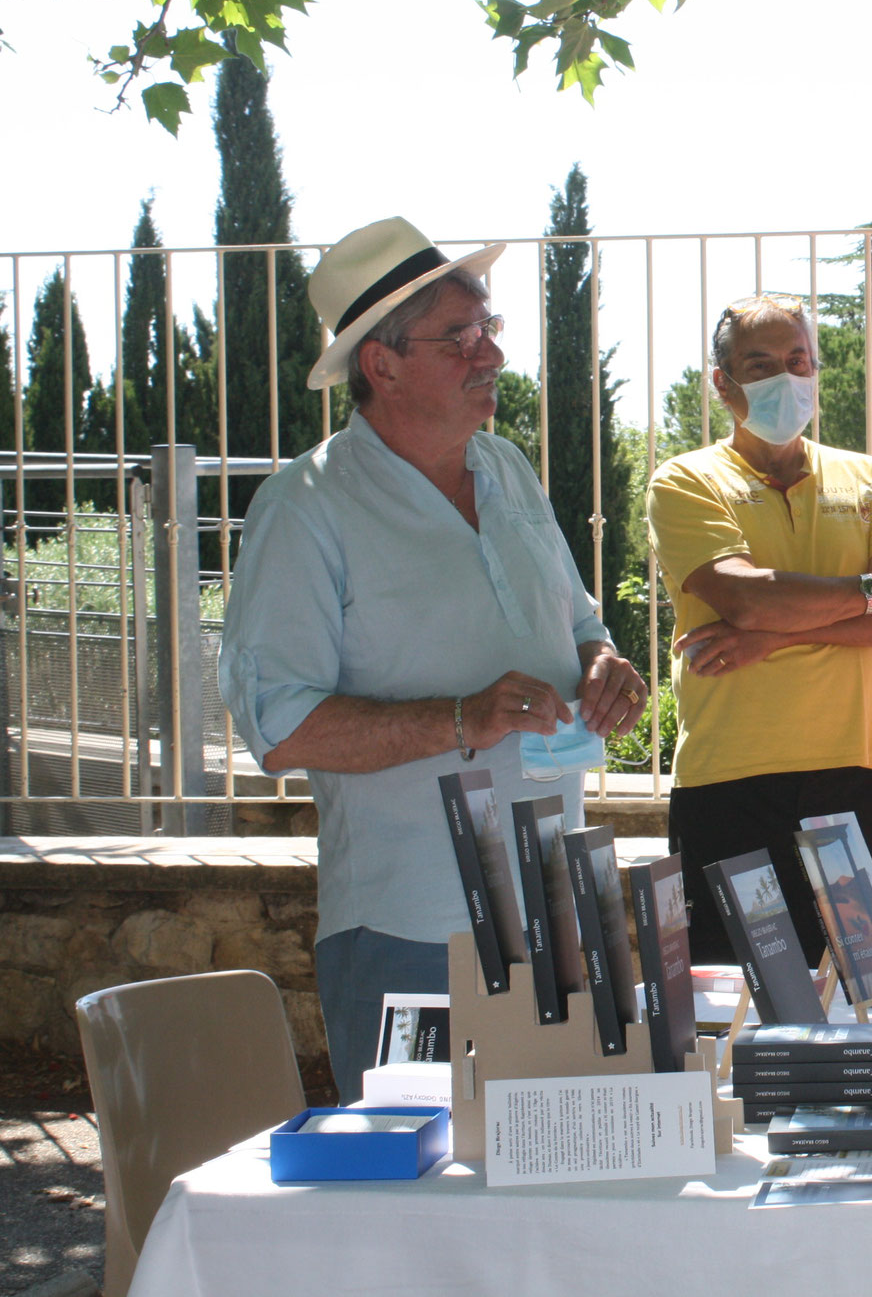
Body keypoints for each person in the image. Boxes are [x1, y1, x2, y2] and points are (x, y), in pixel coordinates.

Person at [219, 217, 647, 1102]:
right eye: (460, 336)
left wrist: (607, 665)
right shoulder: (305, 508)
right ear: (380, 363)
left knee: (569, 1185)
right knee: (418, 1216)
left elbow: (580, 626)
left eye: (487, 328)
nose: (489, 353)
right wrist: (462, 717)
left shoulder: (509, 470)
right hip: (413, 932)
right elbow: (280, 724)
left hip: (560, 910)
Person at [645, 293, 872, 965]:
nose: (786, 375)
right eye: (761, 363)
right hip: (727, 793)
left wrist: (774, 636)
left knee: (861, 999)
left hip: (852, 788)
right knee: (736, 1013)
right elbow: (744, 598)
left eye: (798, 359)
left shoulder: (870, 478)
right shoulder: (686, 480)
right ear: (722, 382)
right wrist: (866, 593)